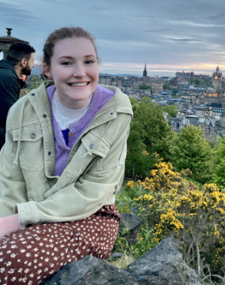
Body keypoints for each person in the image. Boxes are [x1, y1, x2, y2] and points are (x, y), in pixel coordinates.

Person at [0, 27, 133, 285]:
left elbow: (93, 190)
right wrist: (6, 222)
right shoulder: (21, 111)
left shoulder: (116, 113)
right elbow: (9, 180)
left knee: (10, 260)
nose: (80, 72)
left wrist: (21, 219)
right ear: (46, 69)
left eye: (88, 61)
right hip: (26, 206)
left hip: (89, 215)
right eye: (67, 62)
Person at [0, 43, 35, 149]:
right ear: (24, 62)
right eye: (32, 61)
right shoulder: (6, 78)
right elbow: (11, 118)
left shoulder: (5, 74)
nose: (33, 65)